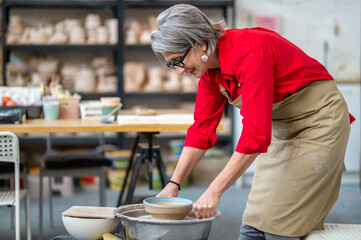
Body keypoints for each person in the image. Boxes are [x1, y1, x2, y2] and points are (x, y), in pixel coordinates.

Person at [150, 4, 354, 240]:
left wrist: (214, 190)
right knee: (255, 221)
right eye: (172, 64)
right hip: (281, 127)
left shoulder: (249, 50)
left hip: (320, 122)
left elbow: (255, 135)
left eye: (178, 61)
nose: (179, 71)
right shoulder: (209, 72)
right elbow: (201, 129)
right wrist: (174, 183)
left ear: (200, 43)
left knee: (281, 224)